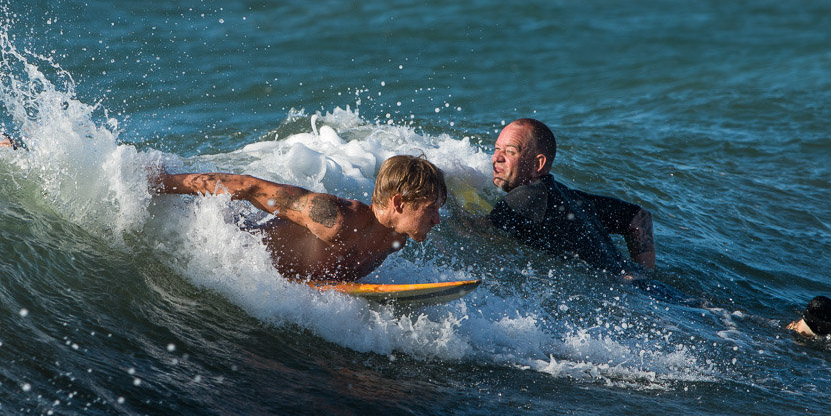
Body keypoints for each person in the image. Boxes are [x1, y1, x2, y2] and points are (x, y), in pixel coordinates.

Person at [148, 154, 446, 282]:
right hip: (238, 245)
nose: (436, 220)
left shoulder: (397, 239)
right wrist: (164, 183)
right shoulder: (337, 217)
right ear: (398, 202)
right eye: (430, 208)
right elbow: (250, 187)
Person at [486, 118, 655, 276]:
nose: (497, 158)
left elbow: (479, 233)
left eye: (510, 151)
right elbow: (638, 217)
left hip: (621, 291)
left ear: (538, 164)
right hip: (646, 290)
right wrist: (642, 275)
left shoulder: (526, 196)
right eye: (496, 149)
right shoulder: (569, 198)